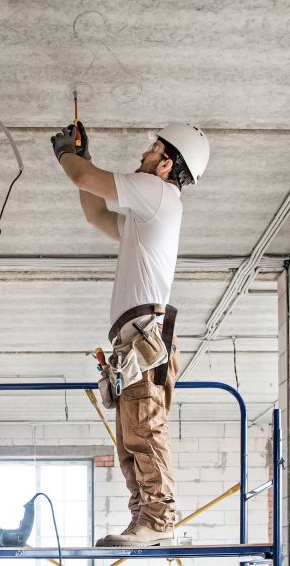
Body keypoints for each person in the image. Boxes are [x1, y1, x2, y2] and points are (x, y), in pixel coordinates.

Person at [51, 122, 209, 546]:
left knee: (144, 428)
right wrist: (80, 160)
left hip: (144, 338)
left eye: (152, 149)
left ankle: (158, 521)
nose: (143, 153)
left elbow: (85, 180)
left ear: (166, 164)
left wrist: (69, 155)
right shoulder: (146, 217)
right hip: (132, 342)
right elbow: (95, 212)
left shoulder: (158, 195)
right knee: (131, 438)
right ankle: (144, 517)